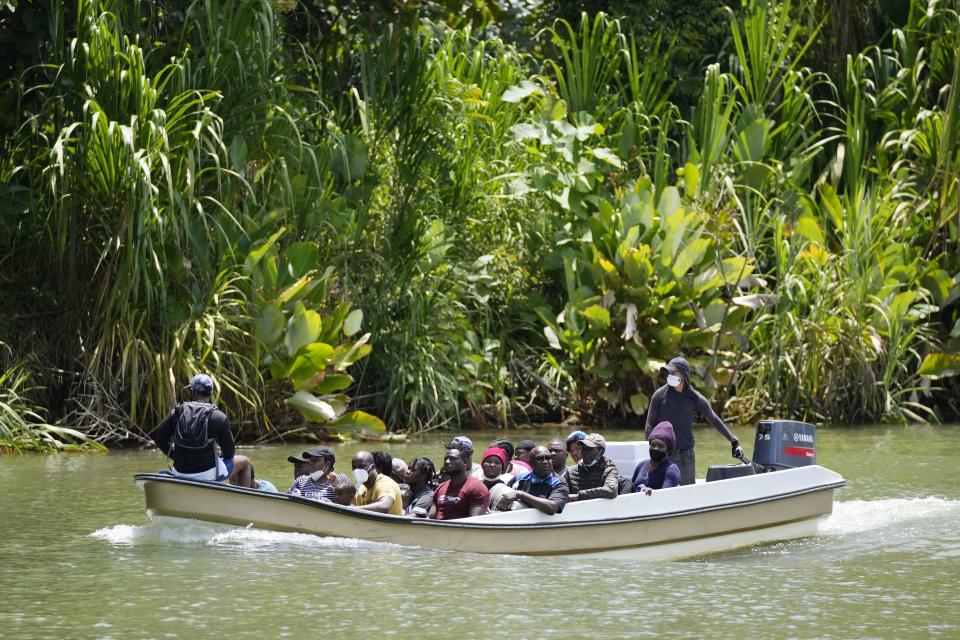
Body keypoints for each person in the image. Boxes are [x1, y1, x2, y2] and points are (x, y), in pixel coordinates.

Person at [645, 356, 743, 485]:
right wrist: (653, 447)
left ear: (684, 375)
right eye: (669, 372)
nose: (670, 375)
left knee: (687, 492)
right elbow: (649, 424)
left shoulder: (694, 397)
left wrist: (733, 439)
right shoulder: (659, 395)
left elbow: (712, 418)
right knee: (663, 490)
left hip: (686, 454)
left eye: (673, 372)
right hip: (664, 453)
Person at [151, 373, 235, 482]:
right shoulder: (219, 417)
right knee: (242, 461)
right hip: (207, 475)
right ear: (210, 394)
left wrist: (174, 455)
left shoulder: (177, 412)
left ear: (193, 392)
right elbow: (229, 452)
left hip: (179, 472)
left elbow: (159, 439)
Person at [497, 446, 570, 515]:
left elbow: (552, 508)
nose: (545, 462)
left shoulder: (559, 483)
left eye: (548, 458)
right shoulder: (520, 478)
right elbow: (505, 496)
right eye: (540, 459)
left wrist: (521, 494)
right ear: (530, 462)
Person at [429, 447, 489, 520]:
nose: (447, 462)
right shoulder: (440, 488)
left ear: (465, 461)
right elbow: (430, 518)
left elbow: (475, 523)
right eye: (445, 459)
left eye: (453, 459)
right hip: (436, 529)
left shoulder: (477, 488)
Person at [566, 433, 621, 502]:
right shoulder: (570, 471)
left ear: (601, 452)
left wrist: (579, 496)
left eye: (590, 449)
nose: (586, 452)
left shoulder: (610, 470)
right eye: (584, 448)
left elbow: (611, 490)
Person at [632, 421, 681, 494]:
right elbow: (631, 489)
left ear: (668, 451)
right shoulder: (641, 465)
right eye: (653, 445)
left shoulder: (671, 471)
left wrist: (653, 493)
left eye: (660, 446)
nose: (655, 448)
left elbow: (666, 497)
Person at [352, 450, 403, 515]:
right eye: (354, 467)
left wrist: (353, 509)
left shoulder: (386, 483)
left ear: (373, 467)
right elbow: (353, 506)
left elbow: (384, 506)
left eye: (361, 466)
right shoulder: (362, 489)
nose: (357, 470)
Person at [479, 446, 513, 511]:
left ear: (502, 467)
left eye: (497, 463)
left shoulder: (505, 490)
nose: (492, 465)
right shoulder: (476, 485)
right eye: (488, 461)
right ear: (482, 465)